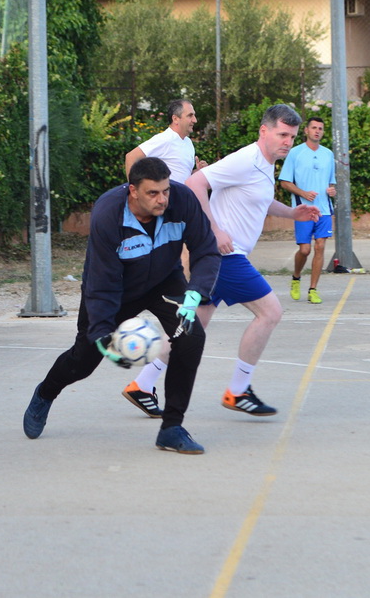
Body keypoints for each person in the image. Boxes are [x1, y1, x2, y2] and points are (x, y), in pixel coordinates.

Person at [23, 157, 220, 454]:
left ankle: (171, 427)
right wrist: (103, 333)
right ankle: (46, 392)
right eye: (153, 193)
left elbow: (206, 250)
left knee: (191, 337)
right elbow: (101, 283)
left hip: (164, 281)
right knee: (84, 360)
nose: (162, 199)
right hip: (116, 288)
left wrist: (195, 295)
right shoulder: (108, 214)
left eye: (165, 190)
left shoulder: (182, 201)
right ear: (133, 191)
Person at [185, 103, 319, 416]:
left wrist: (291, 212)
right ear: (264, 131)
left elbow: (258, 200)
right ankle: (238, 390)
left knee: (192, 328)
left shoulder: (264, 163)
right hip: (225, 256)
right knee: (270, 312)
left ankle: (143, 383)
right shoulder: (246, 159)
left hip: (217, 257)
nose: (288, 141)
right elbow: (195, 184)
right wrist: (214, 229)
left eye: (292, 136)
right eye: (282, 134)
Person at [278, 116, 336, 303]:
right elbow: (285, 182)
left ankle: (313, 289)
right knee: (305, 250)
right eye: (314, 127)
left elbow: (331, 182)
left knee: (320, 246)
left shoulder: (328, 154)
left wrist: (331, 190)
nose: (317, 131)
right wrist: (303, 192)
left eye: (320, 128)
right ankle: (296, 278)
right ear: (306, 131)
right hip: (303, 210)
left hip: (324, 210)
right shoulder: (295, 153)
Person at [124, 99, 207, 184]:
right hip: (167, 197)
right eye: (190, 116)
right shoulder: (165, 139)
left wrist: (198, 172)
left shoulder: (188, 142)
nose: (195, 120)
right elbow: (131, 157)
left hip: (182, 196)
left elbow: (183, 176)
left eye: (194, 115)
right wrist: (134, 191)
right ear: (175, 119)